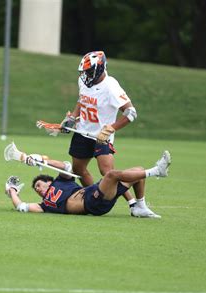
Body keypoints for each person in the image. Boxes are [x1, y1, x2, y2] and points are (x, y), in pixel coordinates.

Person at [39, 51, 140, 212]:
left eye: (89, 71)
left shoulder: (111, 86)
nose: (85, 75)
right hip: (82, 132)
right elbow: (82, 100)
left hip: (100, 136)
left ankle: (134, 203)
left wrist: (111, 128)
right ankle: (92, 197)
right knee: (78, 169)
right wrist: (72, 118)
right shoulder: (84, 81)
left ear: (100, 68)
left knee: (108, 173)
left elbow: (131, 113)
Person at [4, 150, 171, 217]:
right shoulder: (45, 205)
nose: (38, 190)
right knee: (112, 174)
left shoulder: (61, 180)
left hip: (94, 191)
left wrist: (40, 159)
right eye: (35, 189)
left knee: (137, 172)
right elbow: (22, 207)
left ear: (49, 182)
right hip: (92, 203)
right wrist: (12, 190)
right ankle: (156, 171)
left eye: (39, 185)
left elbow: (66, 166)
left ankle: (138, 207)